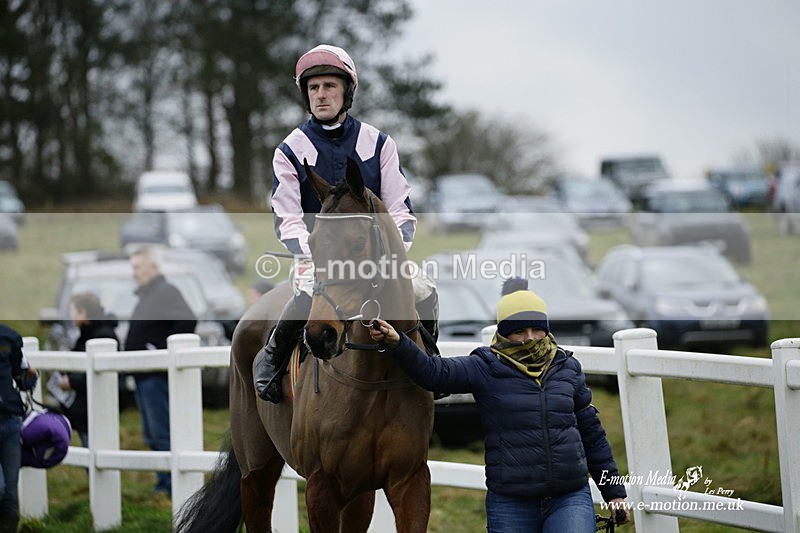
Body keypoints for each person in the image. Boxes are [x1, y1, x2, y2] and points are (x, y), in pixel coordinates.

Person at [368, 278, 630, 533]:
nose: (530, 338)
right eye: (519, 331)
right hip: (511, 502)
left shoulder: (567, 367)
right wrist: (400, 343)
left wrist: (615, 493)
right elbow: (436, 373)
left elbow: (592, 435)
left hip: (569, 497)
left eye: (537, 329)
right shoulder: (486, 366)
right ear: (504, 333)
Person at [254, 43, 438, 403]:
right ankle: (272, 360)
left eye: (329, 86)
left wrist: (391, 251)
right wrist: (316, 251)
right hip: (318, 257)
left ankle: (431, 360)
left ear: (346, 91)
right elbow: (287, 216)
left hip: (377, 255)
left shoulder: (380, 143)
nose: (321, 95)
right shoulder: (290, 149)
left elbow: (400, 207)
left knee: (424, 289)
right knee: (306, 293)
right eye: (313, 88)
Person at [124, 246, 196, 498]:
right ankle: (163, 482)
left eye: (137, 267)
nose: (133, 273)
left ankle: (169, 485)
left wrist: (164, 349)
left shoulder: (166, 292)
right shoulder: (148, 295)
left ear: (153, 268)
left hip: (157, 377)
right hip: (145, 376)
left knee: (161, 431)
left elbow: (187, 319)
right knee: (151, 433)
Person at [53, 292, 119, 447]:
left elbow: (103, 373)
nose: (72, 315)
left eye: (73, 311)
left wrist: (72, 381)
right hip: (85, 406)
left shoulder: (102, 335)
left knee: (95, 446)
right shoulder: (86, 334)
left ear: (83, 312)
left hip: (95, 406)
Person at [0, 324, 38, 532]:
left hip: (10, 420)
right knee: (0, 489)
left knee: (11, 497)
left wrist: (30, 377)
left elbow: (21, 378)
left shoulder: (8, 338)